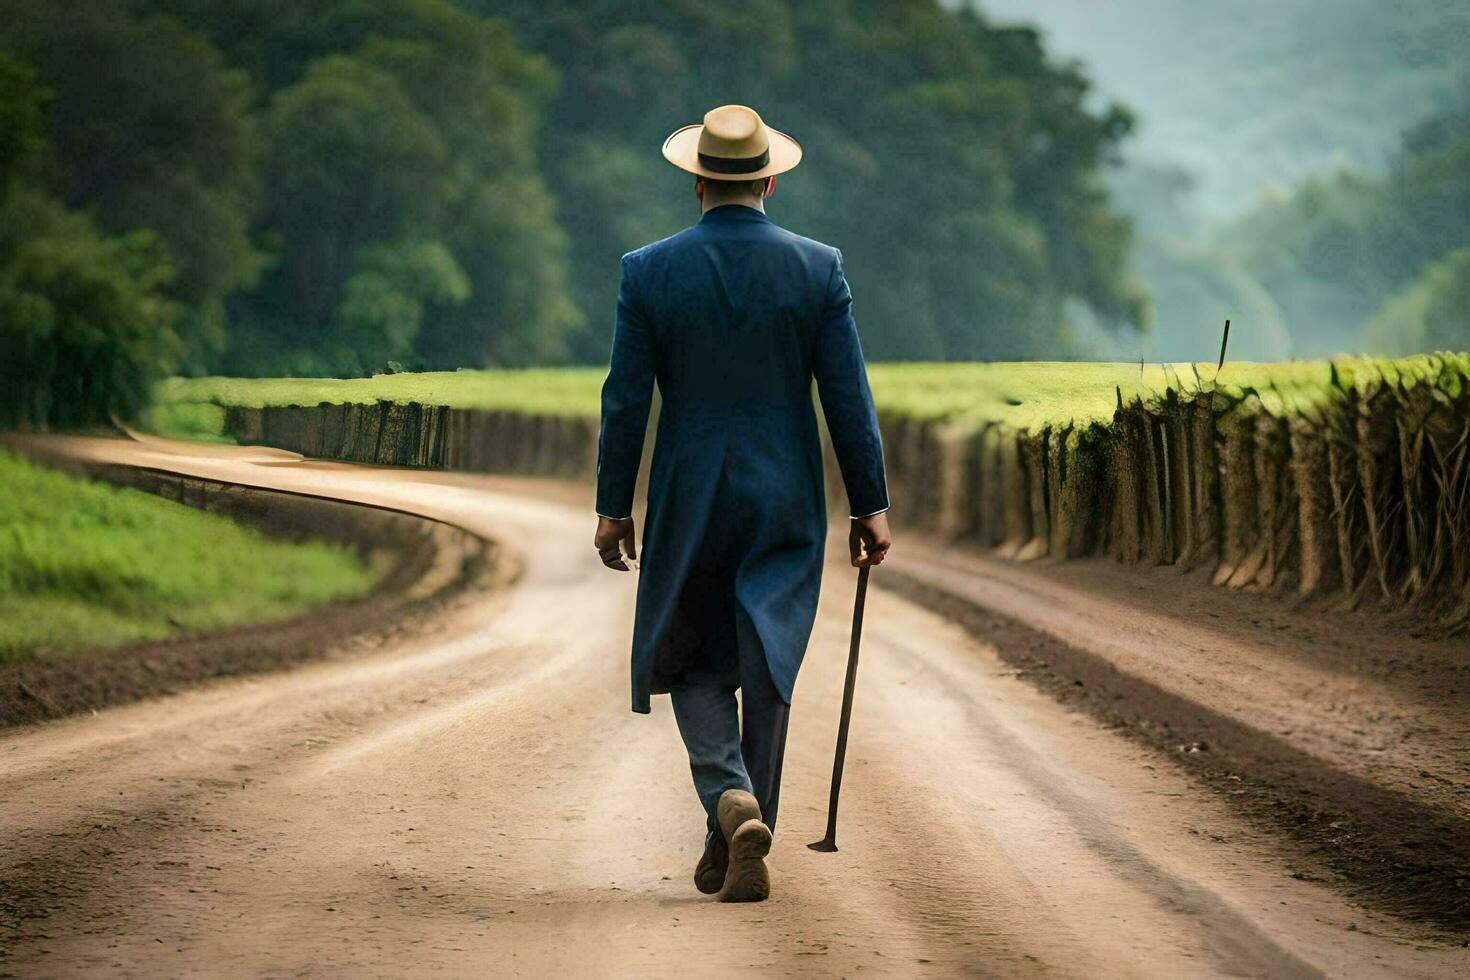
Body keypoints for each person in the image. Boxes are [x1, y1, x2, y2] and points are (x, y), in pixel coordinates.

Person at [593, 104, 891, 903]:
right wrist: (871, 504)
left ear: (696, 181)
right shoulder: (818, 268)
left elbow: (624, 401)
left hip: (690, 489)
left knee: (690, 654)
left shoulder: (647, 270)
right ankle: (740, 819)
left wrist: (613, 507)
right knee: (768, 663)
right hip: (786, 492)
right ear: (767, 179)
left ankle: (727, 798)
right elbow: (847, 398)